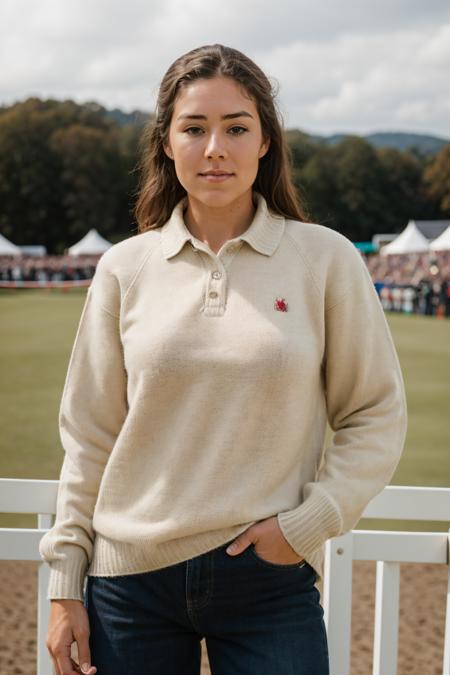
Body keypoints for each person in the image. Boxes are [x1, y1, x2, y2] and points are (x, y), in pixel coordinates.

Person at [39, 43, 408, 675]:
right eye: (195, 128)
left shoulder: (326, 259)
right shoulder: (125, 268)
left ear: (265, 141)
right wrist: (66, 583)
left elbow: (375, 413)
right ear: (166, 142)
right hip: (129, 585)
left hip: (267, 582)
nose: (216, 148)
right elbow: (90, 435)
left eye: (237, 127)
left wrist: (308, 525)